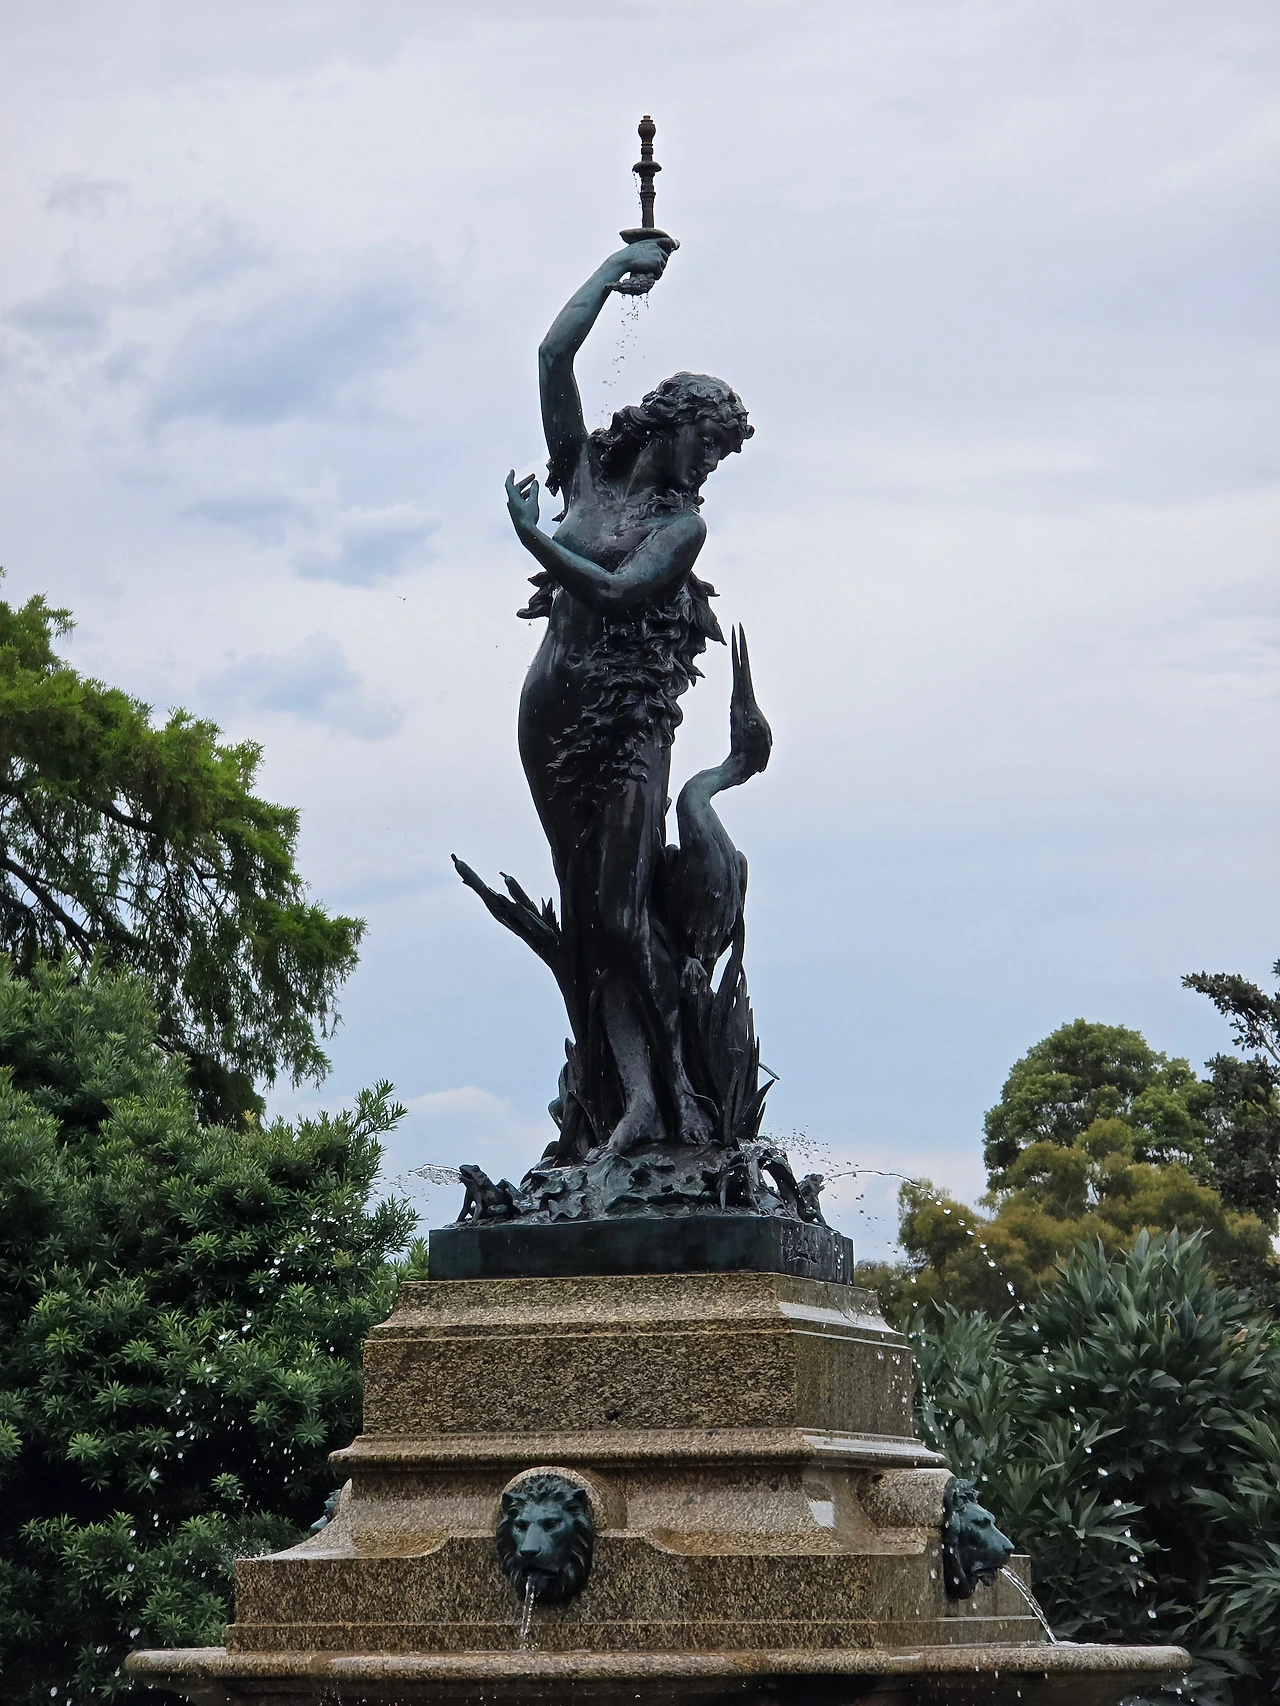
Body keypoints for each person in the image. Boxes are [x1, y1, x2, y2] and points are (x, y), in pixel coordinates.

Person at [503, 239, 752, 1157]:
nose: (711, 463)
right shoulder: (586, 472)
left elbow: (613, 593)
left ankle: (672, 1094)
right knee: (587, 913)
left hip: (628, 725)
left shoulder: (681, 526)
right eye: (708, 443)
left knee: (621, 909)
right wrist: (616, 272)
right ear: (670, 422)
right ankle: (621, 1099)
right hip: (550, 714)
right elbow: (552, 356)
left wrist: (534, 540)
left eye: (722, 454)